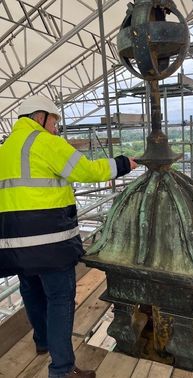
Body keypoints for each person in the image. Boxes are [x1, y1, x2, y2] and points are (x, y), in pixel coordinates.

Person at [0, 95, 137, 378]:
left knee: (31, 291)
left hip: (14, 244)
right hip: (49, 242)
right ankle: (62, 369)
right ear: (41, 117)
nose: (56, 128)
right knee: (60, 298)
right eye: (55, 122)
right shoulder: (46, 142)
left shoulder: (4, 149)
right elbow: (86, 171)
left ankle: (43, 343)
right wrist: (123, 164)